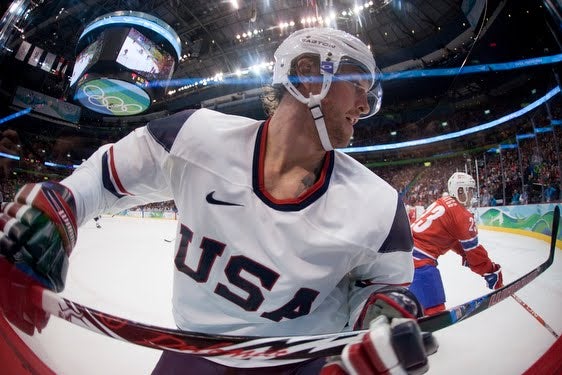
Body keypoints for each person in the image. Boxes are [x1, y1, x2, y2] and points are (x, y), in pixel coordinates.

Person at [0, 27, 436, 374]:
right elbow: (106, 177)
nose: (364, 105)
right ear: (308, 74)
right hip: (193, 351)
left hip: (301, 363)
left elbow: (379, 289)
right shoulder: (194, 135)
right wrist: (65, 205)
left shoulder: (380, 204)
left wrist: (383, 318)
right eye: (358, 85)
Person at [409, 172, 504, 316]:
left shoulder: (442, 201)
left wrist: (464, 253)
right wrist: (491, 271)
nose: (472, 195)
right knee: (435, 314)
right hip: (419, 260)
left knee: (412, 306)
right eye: (470, 190)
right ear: (460, 191)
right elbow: (476, 254)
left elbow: (451, 236)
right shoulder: (463, 215)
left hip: (405, 252)